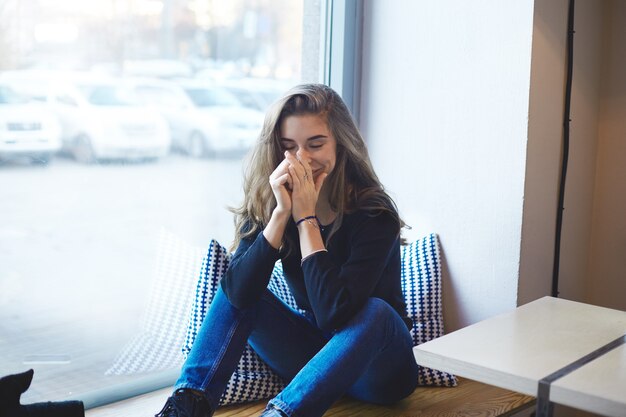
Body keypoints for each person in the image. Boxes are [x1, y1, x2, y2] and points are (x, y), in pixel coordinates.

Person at [155, 84, 419, 417]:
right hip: (313, 360)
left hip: (379, 370)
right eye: (289, 147)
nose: (303, 160)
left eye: (316, 144)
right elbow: (237, 295)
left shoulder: (374, 213)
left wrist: (306, 217)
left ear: (341, 143)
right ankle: (185, 408)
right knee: (241, 287)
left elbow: (334, 314)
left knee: (377, 312)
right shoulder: (273, 201)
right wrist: (280, 215)